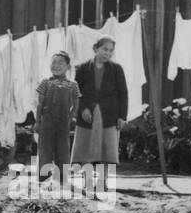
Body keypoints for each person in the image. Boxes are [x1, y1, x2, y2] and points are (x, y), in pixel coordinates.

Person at [71, 36, 127, 197]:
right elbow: (77, 93)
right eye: (104, 49)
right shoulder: (82, 69)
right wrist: (83, 109)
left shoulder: (116, 69)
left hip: (109, 114)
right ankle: (88, 182)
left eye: (110, 51)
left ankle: (102, 182)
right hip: (87, 115)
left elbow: (123, 94)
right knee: (86, 149)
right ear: (95, 49)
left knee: (106, 150)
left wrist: (122, 116)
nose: (107, 53)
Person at [34, 51, 81, 183]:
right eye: (54, 62)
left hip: (63, 124)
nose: (56, 65)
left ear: (68, 66)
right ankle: (43, 179)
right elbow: (39, 104)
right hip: (46, 123)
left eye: (60, 63)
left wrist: (70, 118)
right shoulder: (45, 83)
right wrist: (38, 121)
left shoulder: (73, 85)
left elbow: (76, 104)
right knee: (45, 150)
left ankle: (62, 180)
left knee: (63, 150)